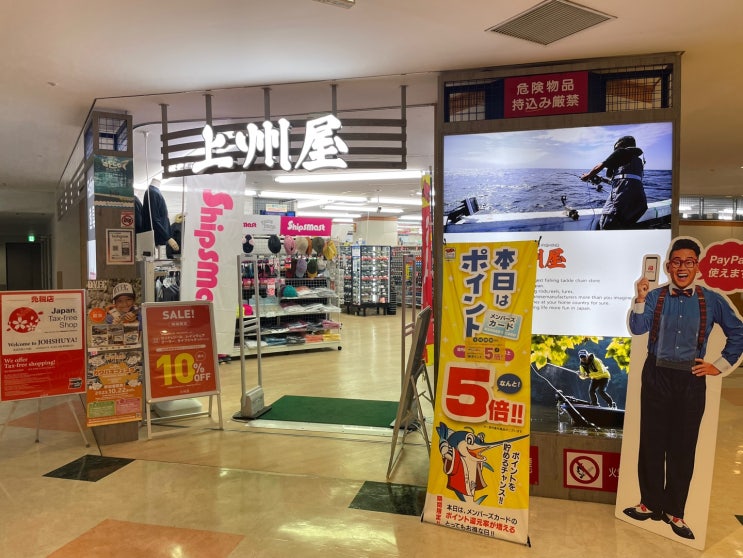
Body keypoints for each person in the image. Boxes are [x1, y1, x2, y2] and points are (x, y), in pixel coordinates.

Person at [624, 238, 743, 540]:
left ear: (697, 267)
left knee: (683, 447)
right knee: (651, 442)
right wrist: (640, 298)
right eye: (677, 262)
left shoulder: (712, 300)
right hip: (656, 374)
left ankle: (675, 511)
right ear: (668, 266)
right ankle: (649, 503)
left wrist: (720, 365)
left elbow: (738, 332)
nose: (682, 267)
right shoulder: (655, 296)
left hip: (691, 379)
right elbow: (638, 328)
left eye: (689, 262)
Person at [581, 135, 648, 230]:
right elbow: (625, 180)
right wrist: (602, 179)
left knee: (606, 223)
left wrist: (587, 176)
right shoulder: (638, 162)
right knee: (622, 226)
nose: (615, 149)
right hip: (640, 203)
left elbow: (601, 165)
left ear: (622, 145)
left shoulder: (621, 152)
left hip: (622, 199)